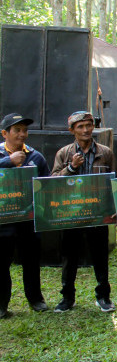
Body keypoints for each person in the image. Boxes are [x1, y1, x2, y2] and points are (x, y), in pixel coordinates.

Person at [51, 111, 115, 313]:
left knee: (100, 256)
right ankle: (67, 297)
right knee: (69, 256)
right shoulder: (64, 153)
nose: (86, 130)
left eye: (89, 125)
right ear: (72, 130)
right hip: (72, 214)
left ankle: (103, 296)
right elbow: (52, 182)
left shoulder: (105, 152)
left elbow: (114, 181)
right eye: (80, 126)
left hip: (98, 214)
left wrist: (114, 209)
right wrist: (71, 167)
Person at [0, 113, 50, 318]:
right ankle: (1, 304)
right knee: (2, 263)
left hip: (28, 221)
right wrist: (8, 162)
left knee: (31, 261)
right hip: (3, 222)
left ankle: (35, 298)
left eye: (25, 130)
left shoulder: (36, 157)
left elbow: (47, 185)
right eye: (17, 130)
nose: (22, 134)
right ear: (5, 133)